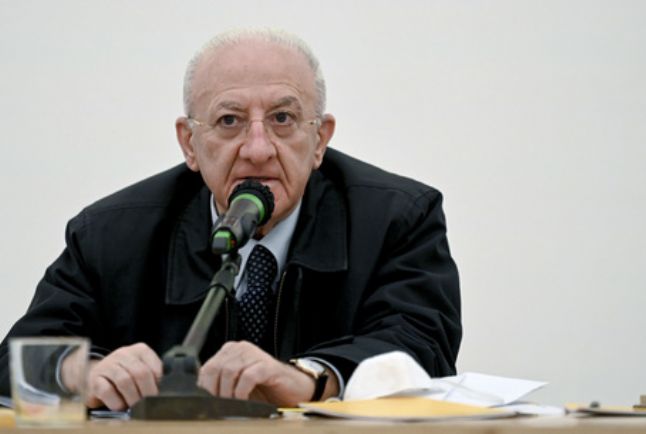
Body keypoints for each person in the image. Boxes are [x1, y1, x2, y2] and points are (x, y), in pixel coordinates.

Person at [0, 29, 461, 410]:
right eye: (229, 121)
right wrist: (84, 373)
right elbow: (15, 363)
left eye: (283, 118)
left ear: (319, 139)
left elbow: (424, 347)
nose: (257, 149)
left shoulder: (397, 218)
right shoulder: (110, 235)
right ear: (189, 144)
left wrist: (309, 378)